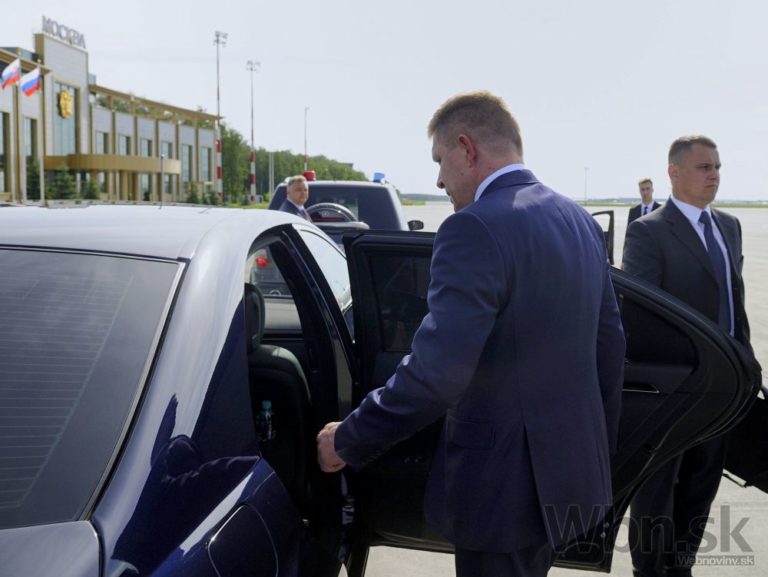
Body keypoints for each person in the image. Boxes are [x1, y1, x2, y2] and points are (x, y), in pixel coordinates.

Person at [316, 91, 626, 576]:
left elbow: (436, 374)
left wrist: (348, 439)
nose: (439, 179)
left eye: (439, 160)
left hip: (501, 492)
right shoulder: (577, 220)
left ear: (467, 148)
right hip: (565, 479)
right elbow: (609, 346)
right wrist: (593, 454)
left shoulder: (474, 228)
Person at [623, 135, 751, 577]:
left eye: (717, 166)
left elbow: (733, 301)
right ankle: (650, 570)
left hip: (724, 388)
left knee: (701, 485)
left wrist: (746, 366)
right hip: (675, 390)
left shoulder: (729, 226)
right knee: (657, 490)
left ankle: (681, 568)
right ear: (673, 172)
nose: (714, 175)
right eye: (704, 167)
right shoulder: (649, 230)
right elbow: (641, 315)